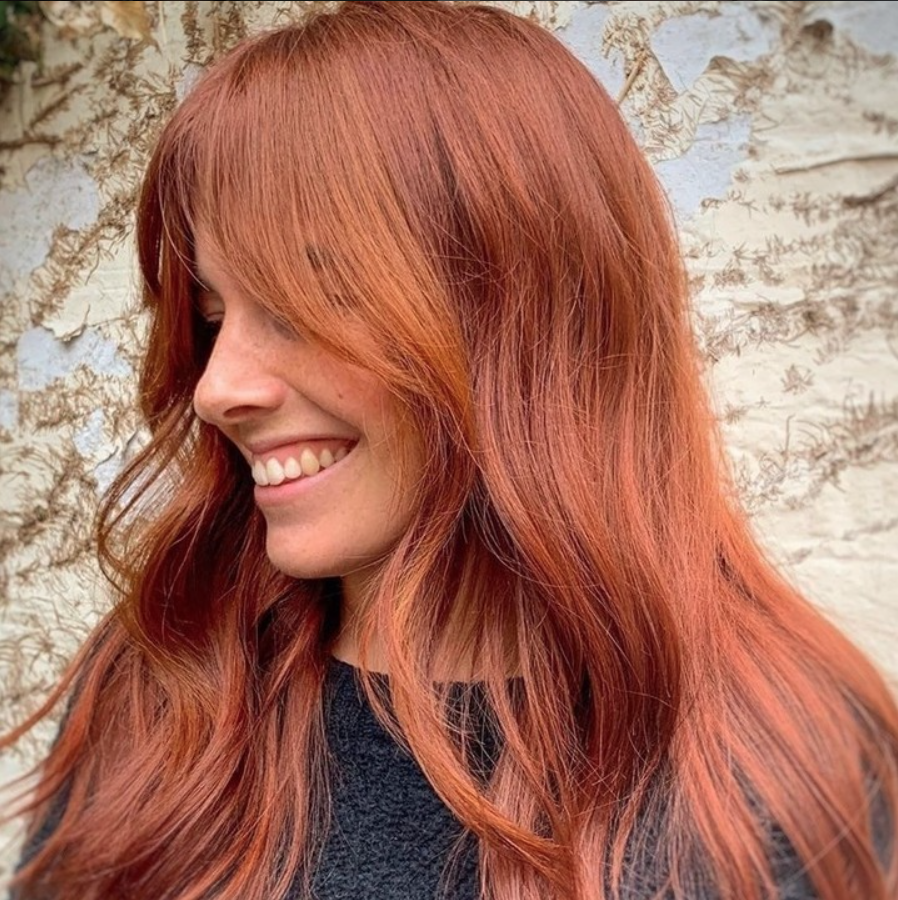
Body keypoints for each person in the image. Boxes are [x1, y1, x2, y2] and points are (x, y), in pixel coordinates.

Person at [2, 2, 896, 898]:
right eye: (211, 317)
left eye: (304, 300)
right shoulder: (163, 688)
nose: (217, 387)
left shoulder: (781, 770)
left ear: (522, 309)